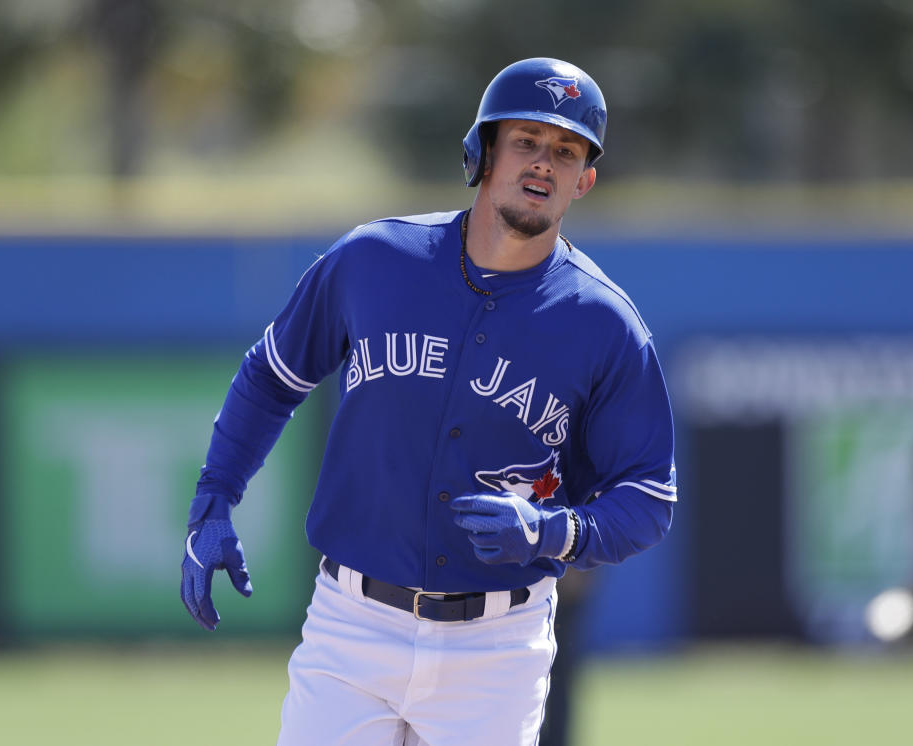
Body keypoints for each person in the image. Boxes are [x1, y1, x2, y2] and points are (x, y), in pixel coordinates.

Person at [179, 57, 677, 746]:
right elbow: (270, 376)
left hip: (497, 648)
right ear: (483, 152)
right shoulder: (373, 261)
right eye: (527, 140)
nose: (543, 163)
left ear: (584, 180)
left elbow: (649, 496)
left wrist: (552, 532)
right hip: (352, 627)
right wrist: (213, 499)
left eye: (565, 151)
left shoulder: (606, 324)